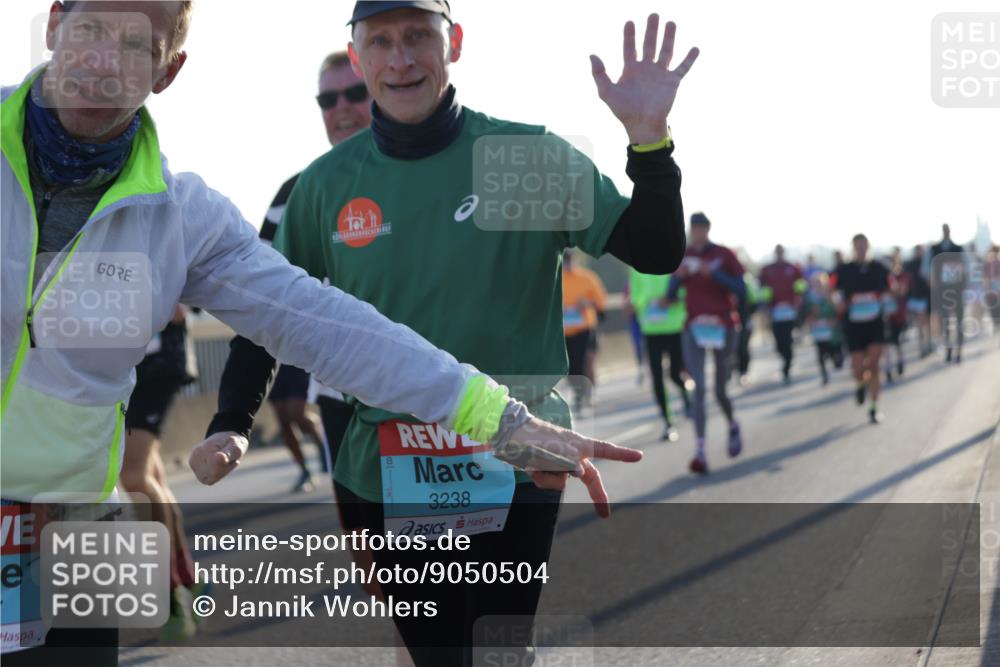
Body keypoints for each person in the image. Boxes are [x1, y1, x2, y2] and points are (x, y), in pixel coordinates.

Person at [1, 3, 643, 664]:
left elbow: (330, 327)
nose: (105, 61)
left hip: (72, 527)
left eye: (139, 46)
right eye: (90, 29)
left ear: (168, 70)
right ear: (53, 24)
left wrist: (503, 419)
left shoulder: (184, 216)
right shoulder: (315, 187)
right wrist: (235, 421)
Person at [205, 2, 697, 663]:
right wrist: (232, 420)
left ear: (454, 43)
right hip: (389, 462)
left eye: (418, 37)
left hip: (518, 450)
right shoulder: (325, 187)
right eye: (381, 42)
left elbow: (656, 250)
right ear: (357, 58)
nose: (401, 59)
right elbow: (269, 314)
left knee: (497, 650)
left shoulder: (524, 157)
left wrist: (649, 142)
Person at [218, 50, 374, 496]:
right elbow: (259, 302)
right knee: (367, 539)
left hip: (435, 394)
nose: (341, 107)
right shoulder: (296, 192)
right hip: (343, 400)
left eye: (355, 93)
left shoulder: (430, 176)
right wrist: (232, 418)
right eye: (328, 100)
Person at [119, 305, 208, 642]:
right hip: (115, 364)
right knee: (151, 476)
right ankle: (188, 576)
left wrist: (174, 301)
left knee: (134, 478)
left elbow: (192, 299)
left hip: (156, 364)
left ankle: (169, 594)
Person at [667, 212, 745, 474]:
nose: (697, 233)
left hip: (724, 326)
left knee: (720, 389)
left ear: (708, 230)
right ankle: (700, 450)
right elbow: (670, 294)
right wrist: (678, 277)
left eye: (701, 229)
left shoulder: (723, 255)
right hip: (694, 327)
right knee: (699, 387)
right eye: (694, 229)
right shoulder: (684, 255)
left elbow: (741, 289)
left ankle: (732, 424)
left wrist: (712, 274)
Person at [833, 234, 890, 424]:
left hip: (875, 322)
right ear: (853, 247)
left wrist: (896, 293)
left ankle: (874, 408)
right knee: (858, 368)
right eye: (858, 246)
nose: (861, 249)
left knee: (874, 365)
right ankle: (860, 382)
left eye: (864, 245)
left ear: (868, 246)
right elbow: (831, 288)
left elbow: (891, 287)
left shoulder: (879, 267)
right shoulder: (844, 269)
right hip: (854, 324)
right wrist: (836, 302)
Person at [629, 268, 688, 441]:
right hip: (651, 330)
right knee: (657, 377)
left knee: (675, 374)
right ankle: (668, 421)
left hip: (675, 328)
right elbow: (635, 296)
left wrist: (670, 301)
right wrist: (645, 301)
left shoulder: (674, 261)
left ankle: (686, 394)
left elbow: (686, 293)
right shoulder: (636, 267)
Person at [562, 249, 608, 412]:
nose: (567, 263)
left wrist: (587, 303)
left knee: (587, 361)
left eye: (570, 259)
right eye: (564, 260)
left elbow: (601, 303)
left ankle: (590, 391)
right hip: (564, 332)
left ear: (576, 260)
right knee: (569, 368)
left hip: (585, 328)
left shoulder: (588, 278)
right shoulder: (554, 279)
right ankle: (578, 394)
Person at [759, 244, 807, 385]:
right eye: (777, 251)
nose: (779, 254)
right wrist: (766, 304)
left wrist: (798, 299)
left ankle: (787, 366)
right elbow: (761, 287)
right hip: (775, 311)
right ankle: (784, 356)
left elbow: (801, 285)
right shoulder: (767, 269)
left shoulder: (792, 268)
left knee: (787, 339)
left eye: (781, 251)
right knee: (779, 340)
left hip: (790, 310)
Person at [929, 223, 968, 363]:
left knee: (959, 321)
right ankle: (948, 349)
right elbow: (928, 270)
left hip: (957, 290)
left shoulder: (959, 248)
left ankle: (959, 350)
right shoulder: (934, 249)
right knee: (944, 321)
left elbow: (966, 268)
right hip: (941, 291)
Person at [803, 272, 843, 385]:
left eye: (820, 283)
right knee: (820, 354)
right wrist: (812, 317)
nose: (818, 286)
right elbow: (806, 317)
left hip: (833, 333)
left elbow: (840, 311)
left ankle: (836, 359)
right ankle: (824, 374)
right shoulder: (809, 299)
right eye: (815, 284)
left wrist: (829, 299)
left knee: (836, 358)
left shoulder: (833, 295)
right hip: (819, 332)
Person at [883, 248, 910, 383]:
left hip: (897, 314)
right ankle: (888, 368)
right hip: (884, 316)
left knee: (896, 340)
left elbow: (901, 292)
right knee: (886, 343)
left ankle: (900, 361)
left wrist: (892, 288)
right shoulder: (882, 277)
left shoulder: (902, 276)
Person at [903, 244, 932, 357]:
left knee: (927, 322)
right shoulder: (909, 264)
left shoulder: (928, 263)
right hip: (916, 298)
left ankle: (928, 343)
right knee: (920, 323)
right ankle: (923, 345)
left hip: (926, 297)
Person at [622, 279, 647, 384]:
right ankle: (641, 369)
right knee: (638, 346)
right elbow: (626, 306)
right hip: (635, 320)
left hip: (650, 319)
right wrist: (629, 306)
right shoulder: (629, 285)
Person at [985, 244, 1000, 342]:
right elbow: (985, 279)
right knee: (993, 312)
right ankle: (996, 327)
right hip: (991, 294)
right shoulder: (987, 265)